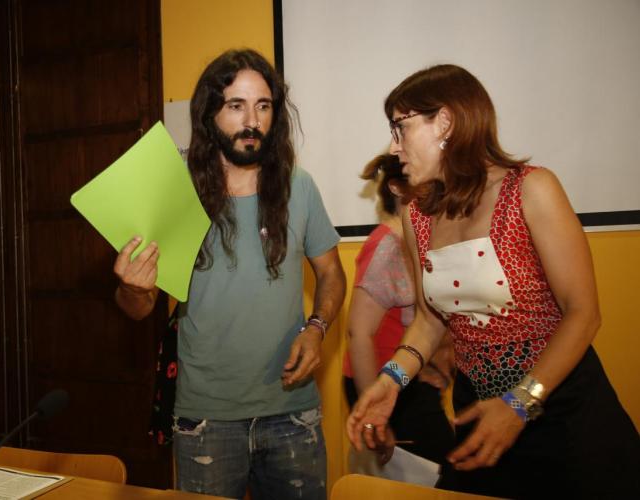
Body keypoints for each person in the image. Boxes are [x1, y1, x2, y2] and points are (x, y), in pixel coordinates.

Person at [346, 64, 640, 498]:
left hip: (562, 411)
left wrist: (520, 402)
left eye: (400, 127)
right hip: (478, 413)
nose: (394, 146)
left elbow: (583, 314)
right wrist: (390, 381)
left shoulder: (531, 190)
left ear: (444, 122)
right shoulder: (417, 215)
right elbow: (429, 320)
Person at [114, 49, 346, 500]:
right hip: (206, 419)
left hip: (293, 412)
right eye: (236, 106)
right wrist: (130, 285)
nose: (252, 121)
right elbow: (137, 308)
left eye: (263, 106)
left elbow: (332, 274)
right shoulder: (174, 191)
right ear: (209, 114)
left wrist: (317, 327)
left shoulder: (299, 186)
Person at [342, 153, 454, 471]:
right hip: (381, 384)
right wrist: (373, 417)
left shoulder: (423, 238)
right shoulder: (388, 245)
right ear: (396, 188)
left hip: (410, 379)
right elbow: (359, 333)